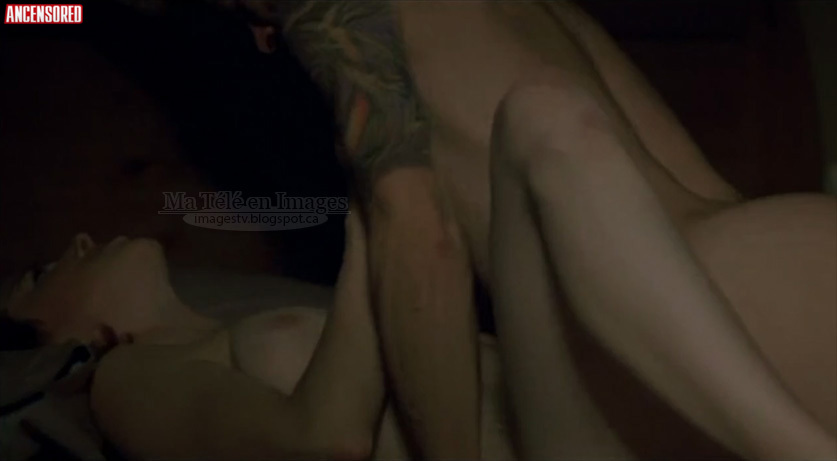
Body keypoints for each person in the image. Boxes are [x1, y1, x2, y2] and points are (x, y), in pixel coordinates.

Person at [232, 0, 837, 459]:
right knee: (281, 348)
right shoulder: (539, 12)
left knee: (540, 119)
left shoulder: (332, 13)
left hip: (686, 351)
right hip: (788, 284)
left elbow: (424, 240)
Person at [0, 228, 514, 460]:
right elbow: (322, 441)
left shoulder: (224, 334)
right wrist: (376, 223)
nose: (81, 242)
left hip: (551, 410)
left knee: (533, 123)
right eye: (42, 274)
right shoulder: (119, 380)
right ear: (55, 338)